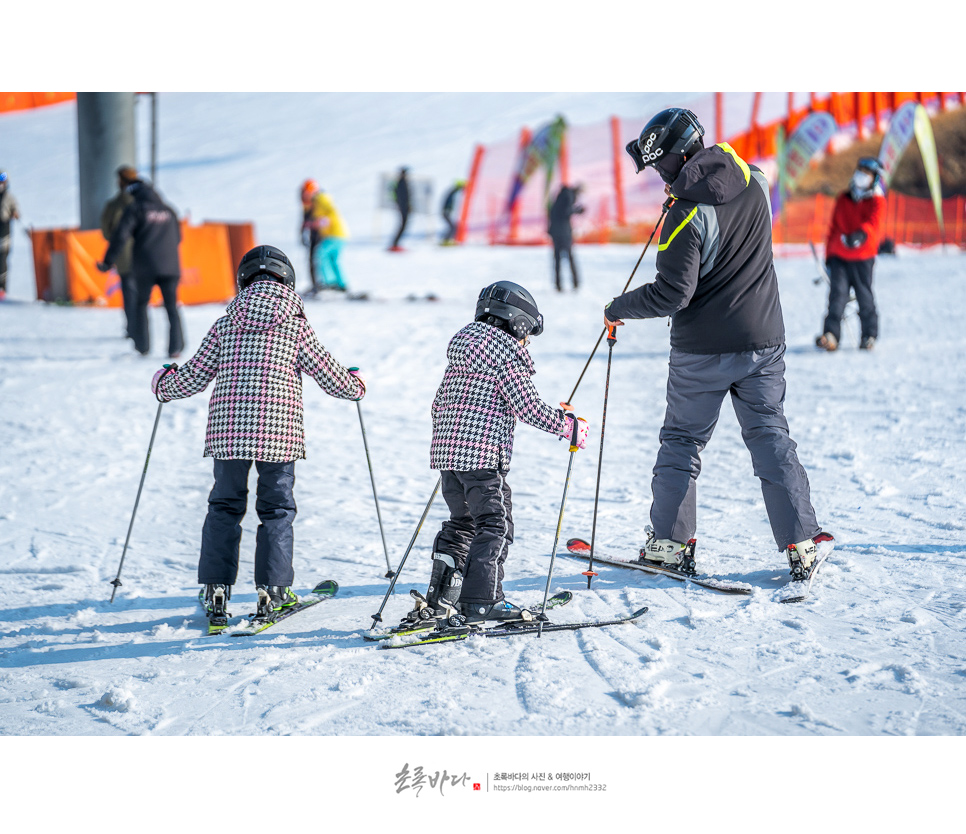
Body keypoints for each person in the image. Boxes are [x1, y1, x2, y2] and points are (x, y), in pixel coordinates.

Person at [608, 107, 833, 587]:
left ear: (679, 156)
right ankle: (802, 541)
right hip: (762, 339)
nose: (660, 177)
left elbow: (673, 294)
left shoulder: (684, 217)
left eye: (661, 165)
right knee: (770, 437)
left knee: (682, 442)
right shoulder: (754, 181)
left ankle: (668, 546)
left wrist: (618, 307)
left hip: (702, 352)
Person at [151, 245, 366, 624]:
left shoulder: (225, 323)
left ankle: (216, 588)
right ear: (288, 280)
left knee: (224, 505)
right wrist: (355, 385)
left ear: (243, 280)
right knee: (277, 509)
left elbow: (195, 376)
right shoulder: (295, 325)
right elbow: (329, 375)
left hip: (228, 432)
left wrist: (165, 384)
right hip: (278, 432)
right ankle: (274, 591)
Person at [410, 281, 589, 626]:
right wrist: (567, 425)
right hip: (482, 460)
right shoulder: (505, 355)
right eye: (528, 335)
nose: (527, 343)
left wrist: (453, 443)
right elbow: (528, 405)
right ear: (518, 324)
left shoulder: (463, 352)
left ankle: (442, 597)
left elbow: (438, 404)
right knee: (494, 524)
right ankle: (482, 600)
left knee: (462, 523)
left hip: (450, 458)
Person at [97, 177, 184, 358]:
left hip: (145, 266)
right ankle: (176, 347)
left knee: (141, 304)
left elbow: (120, 236)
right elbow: (178, 238)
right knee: (171, 306)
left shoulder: (136, 208)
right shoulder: (169, 210)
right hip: (170, 266)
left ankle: (142, 346)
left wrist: (107, 261)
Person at [816, 157, 887, 352]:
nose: (862, 175)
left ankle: (869, 335)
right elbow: (833, 228)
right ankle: (831, 335)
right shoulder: (843, 198)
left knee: (865, 297)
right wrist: (829, 255)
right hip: (839, 256)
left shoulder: (877, 201)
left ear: (874, 178)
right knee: (837, 295)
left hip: (863, 257)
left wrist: (861, 234)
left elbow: (874, 225)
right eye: (860, 170)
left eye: (867, 173)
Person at [100, 165, 139, 338]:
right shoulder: (142, 201)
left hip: (123, 256)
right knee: (141, 295)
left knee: (129, 294)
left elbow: (106, 231)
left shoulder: (114, 205)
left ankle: (132, 328)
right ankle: (141, 331)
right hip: (143, 254)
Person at [306, 185, 350, 293]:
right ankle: (341, 283)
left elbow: (325, 222)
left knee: (321, 254)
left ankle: (329, 282)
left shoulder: (324, 206)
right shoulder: (329, 206)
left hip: (333, 236)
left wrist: (312, 224)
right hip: (341, 236)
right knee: (334, 260)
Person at [548, 184, 584, 292]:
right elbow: (566, 212)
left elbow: (553, 213)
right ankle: (576, 283)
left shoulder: (560, 196)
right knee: (570, 257)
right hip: (564, 233)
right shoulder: (568, 196)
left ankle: (558, 284)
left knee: (557, 259)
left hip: (556, 232)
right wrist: (577, 210)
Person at [0, 169, 21, 301]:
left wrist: (15, 213)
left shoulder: (9, 197)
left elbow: (16, 210)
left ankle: (2, 288)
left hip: (4, 231)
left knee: (2, 261)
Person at [299, 179, 321, 294]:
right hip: (313, 236)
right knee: (312, 260)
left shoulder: (320, 202)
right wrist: (302, 233)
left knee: (319, 259)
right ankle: (315, 285)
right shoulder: (306, 204)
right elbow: (304, 220)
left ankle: (321, 285)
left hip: (322, 235)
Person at [389, 166, 410, 252]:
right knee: (403, 225)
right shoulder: (401, 182)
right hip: (403, 207)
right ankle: (395, 243)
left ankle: (396, 243)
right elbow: (402, 196)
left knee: (403, 225)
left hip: (403, 206)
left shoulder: (400, 181)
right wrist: (404, 205)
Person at [440, 179, 465, 245]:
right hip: (446, 212)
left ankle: (447, 239)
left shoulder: (451, 192)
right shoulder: (452, 192)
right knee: (452, 227)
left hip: (446, 212)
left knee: (452, 227)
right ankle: (446, 240)